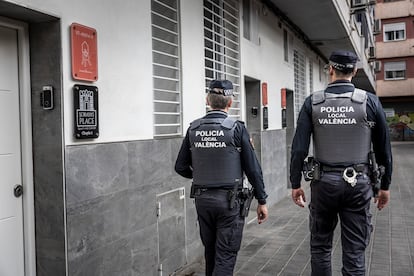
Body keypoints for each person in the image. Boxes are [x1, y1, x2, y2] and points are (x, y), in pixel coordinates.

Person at [289, 50, 393, 276]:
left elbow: (298, 148)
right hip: (359, 183)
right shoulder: (370, 102)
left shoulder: (313, 102)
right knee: (355, 251)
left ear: (331, 69)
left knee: (320, 247)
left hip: (323, 184)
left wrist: (295, 183)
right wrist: (385, 186)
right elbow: (384, 149)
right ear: (355, 71)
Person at [175, 79, 269, 276]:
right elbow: (252, 169)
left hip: (203, 200)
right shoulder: (236, 128)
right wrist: (262, 199)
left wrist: (200, 174)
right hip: (229, 202)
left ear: (207, 100)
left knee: (211, 253)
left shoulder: (194, 128)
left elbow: (180, 166)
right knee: (225, 255)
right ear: (230, 103)